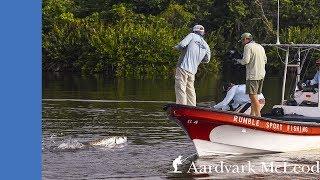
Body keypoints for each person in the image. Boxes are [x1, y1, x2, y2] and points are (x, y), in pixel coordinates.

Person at [173, 25, 211, 106]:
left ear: (194, 31)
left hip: (183, 66)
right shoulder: (206, 45)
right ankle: (192, 106)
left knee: (181, 87)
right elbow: (207, 60)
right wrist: (197, 59)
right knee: (190, 89)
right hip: (193, 71)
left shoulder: (191, 35)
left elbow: (182, 45)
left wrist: (175, 48)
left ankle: (181, 106)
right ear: (203, 33)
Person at [235, 33, 267, 117]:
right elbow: (265, 60)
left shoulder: (247, 47)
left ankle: (258, 116)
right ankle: (252, 115)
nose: (242, 42)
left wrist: (238, 61)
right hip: (261, 75)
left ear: (246, 39)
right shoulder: (260, 46)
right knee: (254, 96)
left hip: (253, 75)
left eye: (242, 40)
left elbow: (246, 61)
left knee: (252, 96)